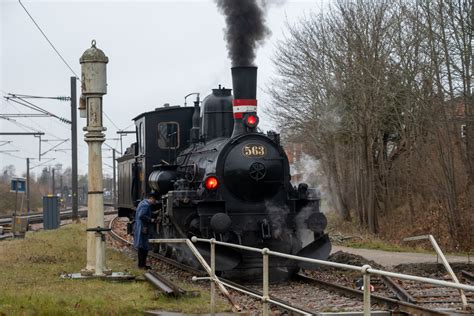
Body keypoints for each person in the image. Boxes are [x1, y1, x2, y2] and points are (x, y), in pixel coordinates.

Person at [133, 192, 158, 269]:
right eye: (154, 200)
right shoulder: (146, 205)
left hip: (142, 227)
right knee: (143, 246)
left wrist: (154, 213)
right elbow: (142, 215)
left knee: (143, 246)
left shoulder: (142, 203)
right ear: (151, 198)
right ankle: (141, 265)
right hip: (143, 228)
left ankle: (142, 264)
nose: (155, 202)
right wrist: (151, 220)